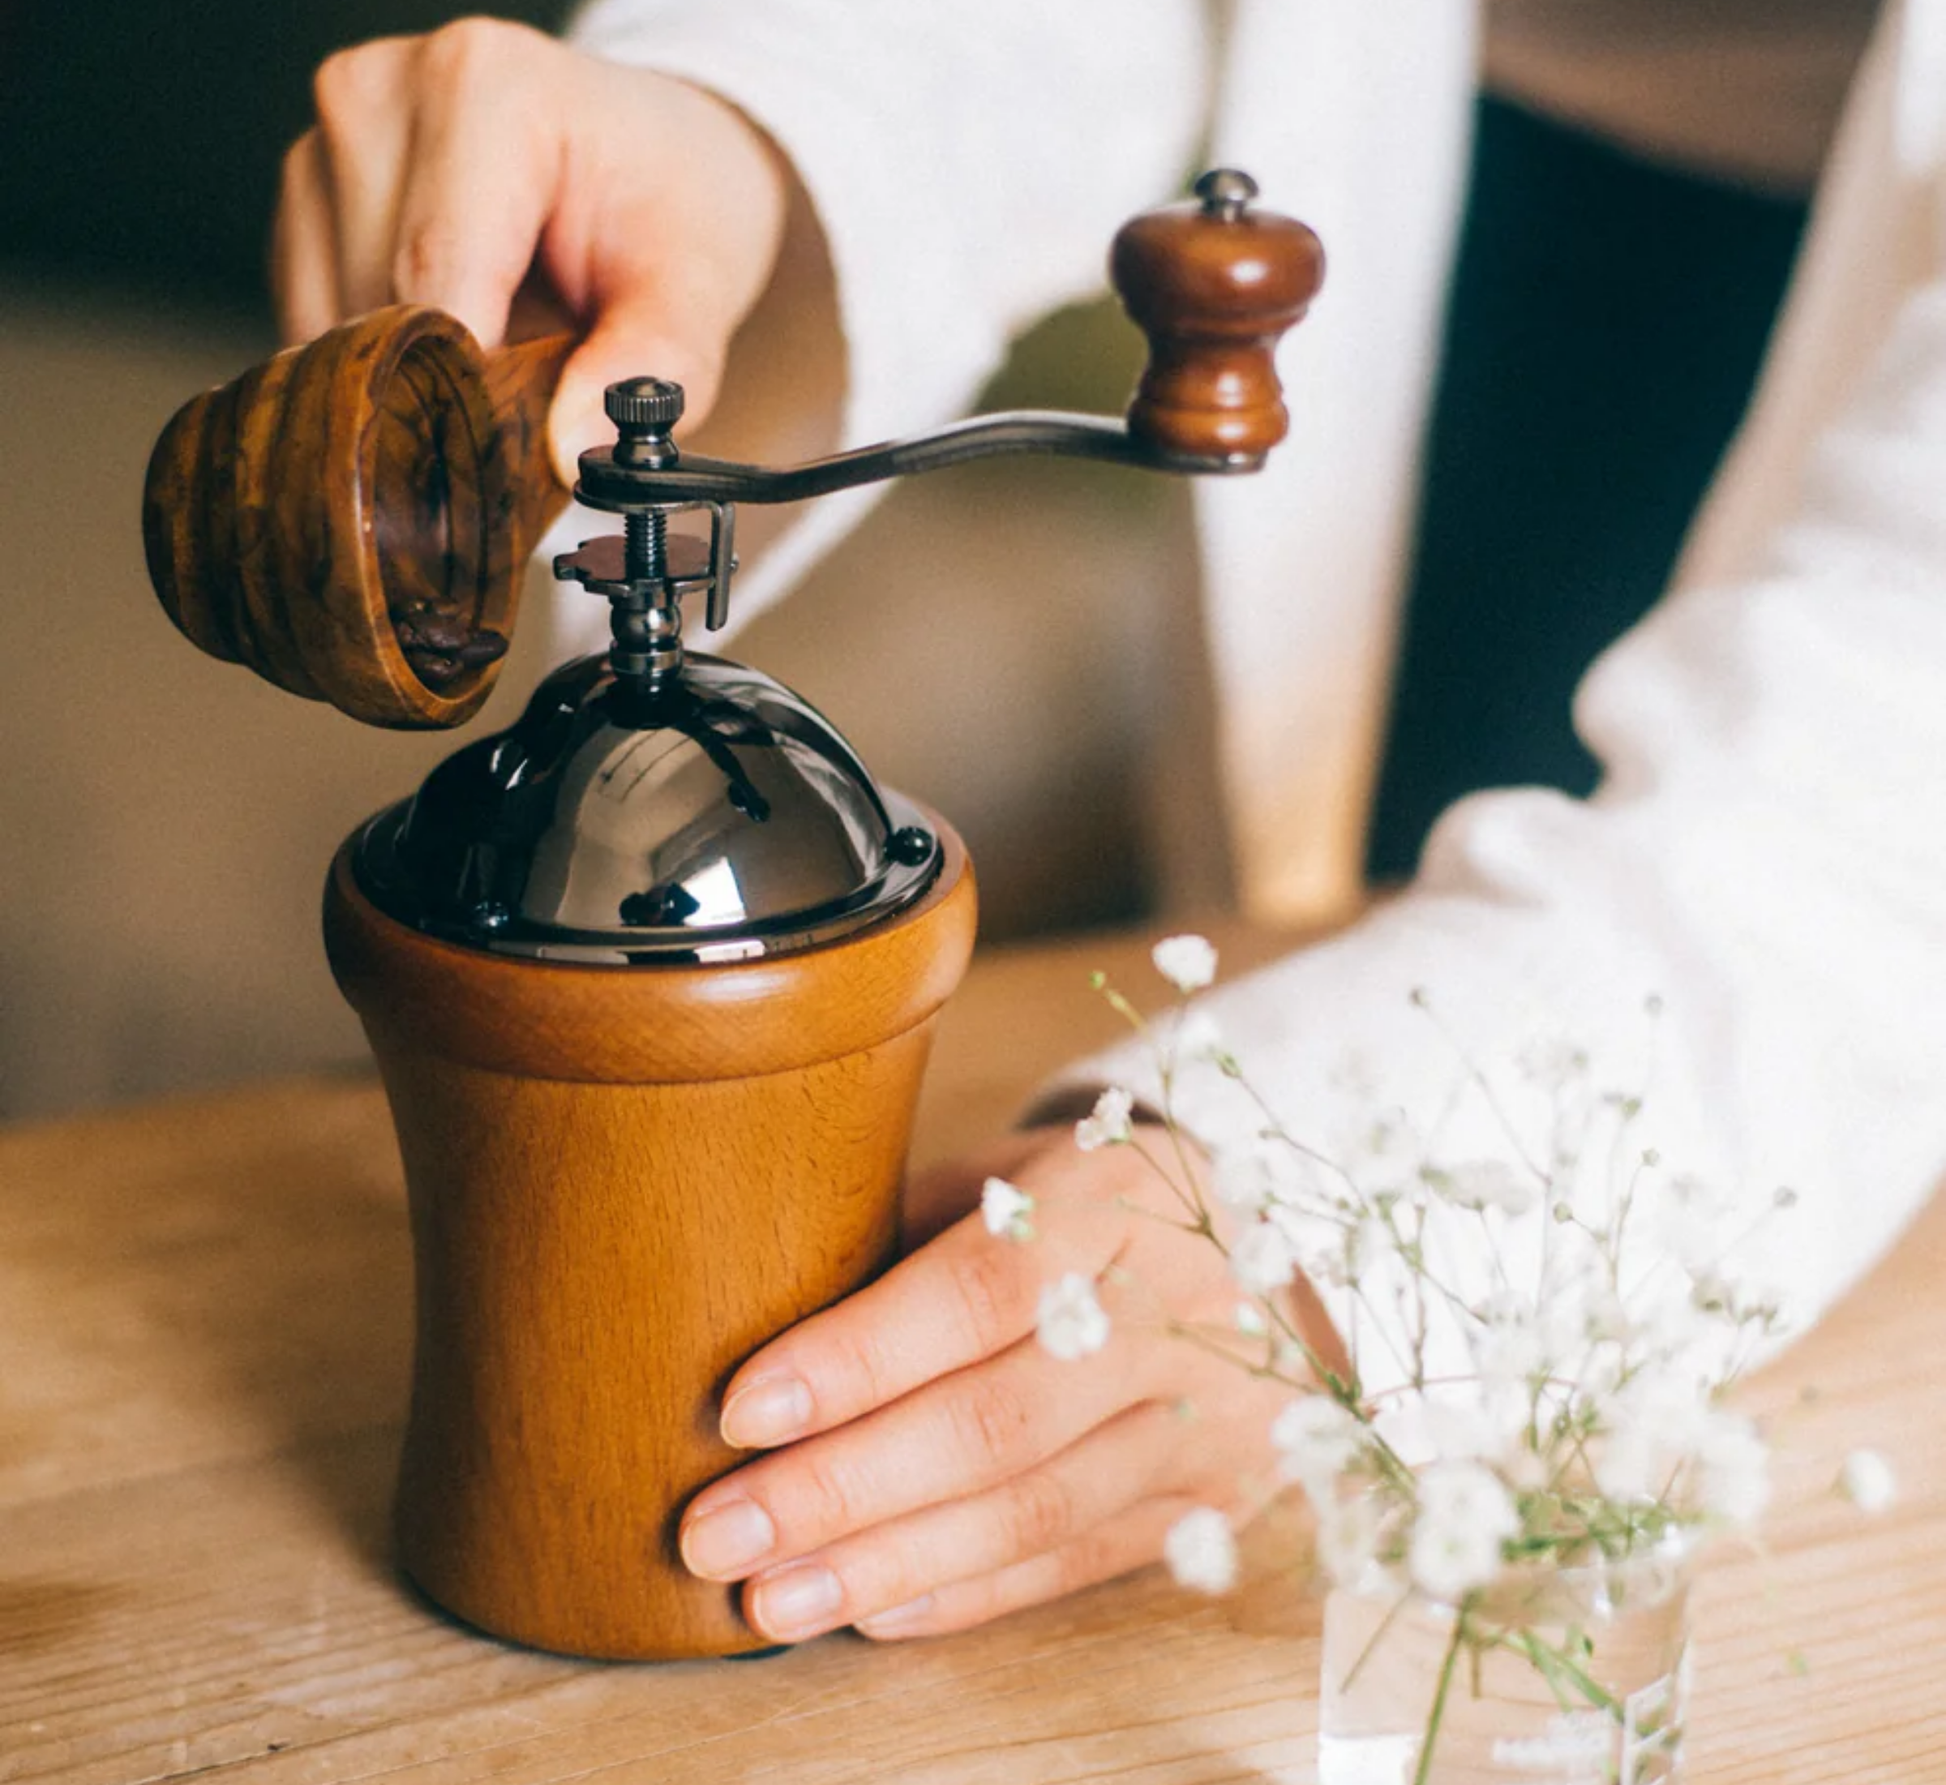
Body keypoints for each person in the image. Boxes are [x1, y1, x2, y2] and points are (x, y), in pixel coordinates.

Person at [273, 1, 1946, 1646]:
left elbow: (1849, 855)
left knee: (1607, 1135)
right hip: (1431, 158)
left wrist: (1335, 1193)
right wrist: (751, 130)